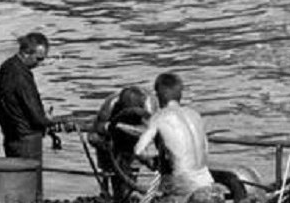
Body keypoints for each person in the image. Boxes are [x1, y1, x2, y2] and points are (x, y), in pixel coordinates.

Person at [134, 73, 225, 203]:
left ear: (158, 95)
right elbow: (205, 149)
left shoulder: (159, 117)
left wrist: (150, 162)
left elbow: (138, 150)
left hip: (183, 184)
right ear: (180, 94)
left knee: (160, 189)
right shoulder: (195, 115)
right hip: (207, 181)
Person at [0, 32, 57, 161]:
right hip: (27, 139)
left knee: (16, 176)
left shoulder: (6, 66)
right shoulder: (21, 76)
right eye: (38, 59)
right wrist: (47, 120)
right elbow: (35, 114)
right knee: (30, 178)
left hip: (11, 135)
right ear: (25, 53)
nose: (39, 64)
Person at [91, 85, 155, 202]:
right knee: (111, 171)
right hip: (111, 137)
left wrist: (145, 157)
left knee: (131, 173)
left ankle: (128, 189)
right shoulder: (110, 105)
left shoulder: (150, 106)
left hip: (136, 136)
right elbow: (95, 133)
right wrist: (105, 139)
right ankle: (107, 192)